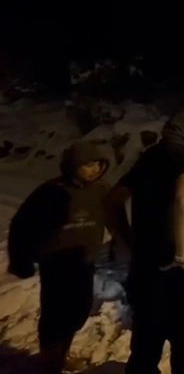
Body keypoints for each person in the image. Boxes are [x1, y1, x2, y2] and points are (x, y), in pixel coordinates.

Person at [103, 98, 184, 374]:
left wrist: (127, 244)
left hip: (144, 271)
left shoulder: (152, 155)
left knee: (144, 352)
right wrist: (183, 255)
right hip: (175, 276)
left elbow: (112, 200)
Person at [7, 140, 112, 374]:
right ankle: (50, 360)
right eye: (88, 164)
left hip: (84, 261)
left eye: (99, 164)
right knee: (55, 316)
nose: (95, 169)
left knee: (79, 311)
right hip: (56, 263)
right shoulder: (50, 192)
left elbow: (114, 216)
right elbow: (21, 226)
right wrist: (20, 259)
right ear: (73, 164)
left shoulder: (101, 190)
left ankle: (61, 353)